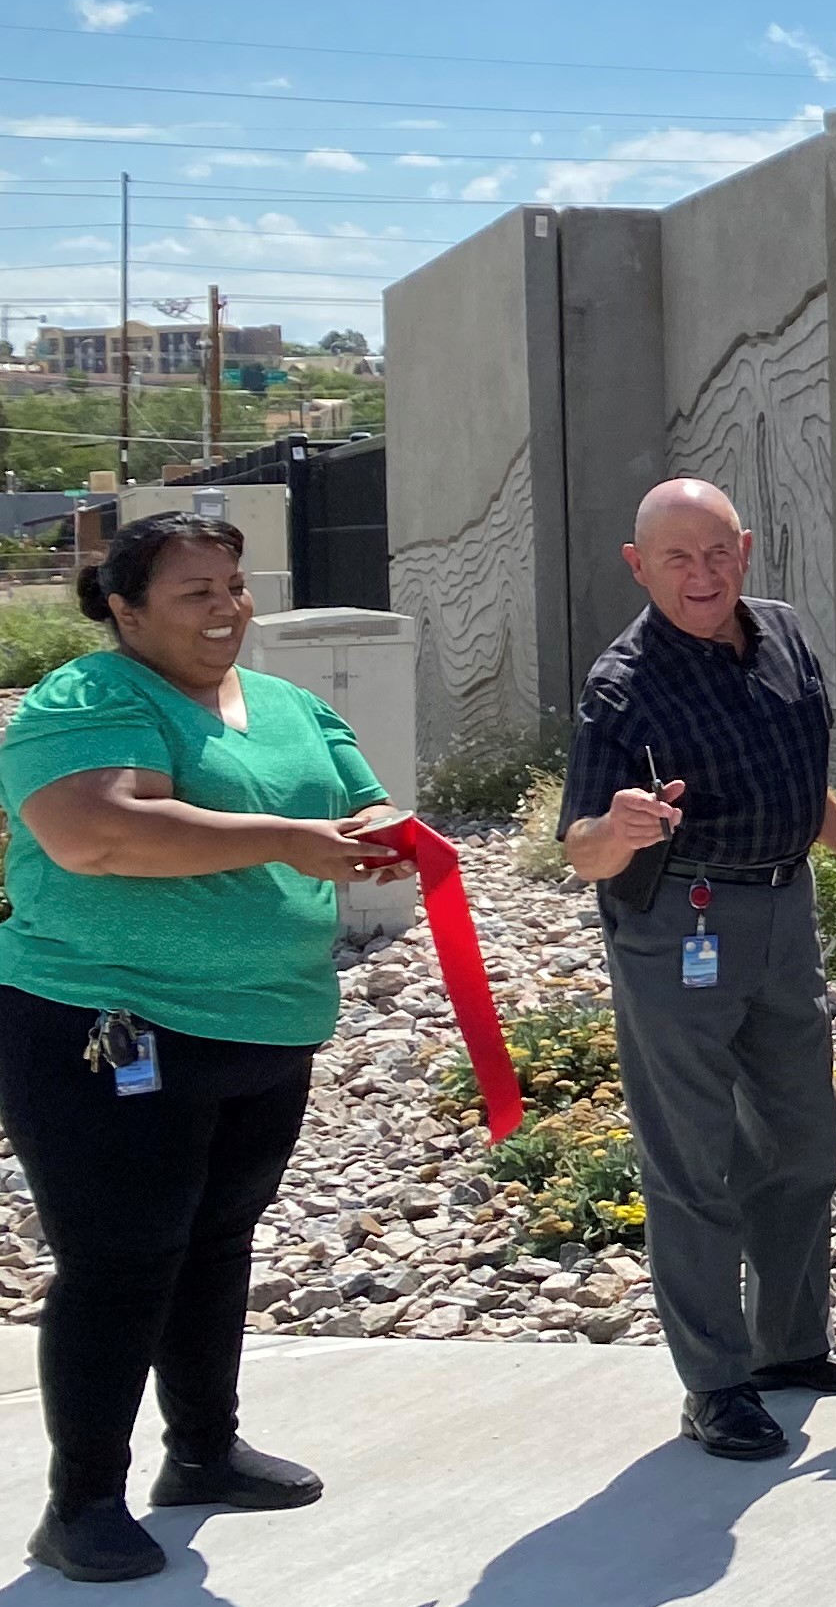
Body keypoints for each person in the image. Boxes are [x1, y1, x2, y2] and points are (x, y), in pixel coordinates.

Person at [0, 511, 409, 1583]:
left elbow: (361, 804)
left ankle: (201, 1449)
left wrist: (385, 832)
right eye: (194, 591)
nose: (226, 607)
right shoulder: (88, 698)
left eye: (233, 584)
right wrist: (285, 838)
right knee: (119, 1261)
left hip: (266, 1022)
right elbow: (95, 831)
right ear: (124, 610)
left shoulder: (290, 705)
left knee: (217, 1240)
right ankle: (80, 1498)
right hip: (109, 1023)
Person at [559, 478, 836, 1463]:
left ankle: (790, 1347)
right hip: (681, 917)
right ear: (638, 566)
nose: (701, 573)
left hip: (782, 903)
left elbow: (798, 782)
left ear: (748, 548)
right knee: (691, 1156)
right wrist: (619, 826)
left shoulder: (784, 633)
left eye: (717, 551)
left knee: (801, 1134)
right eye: (676, 557)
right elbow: (581, 845)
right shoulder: (621, 684)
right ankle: (715, 1383)